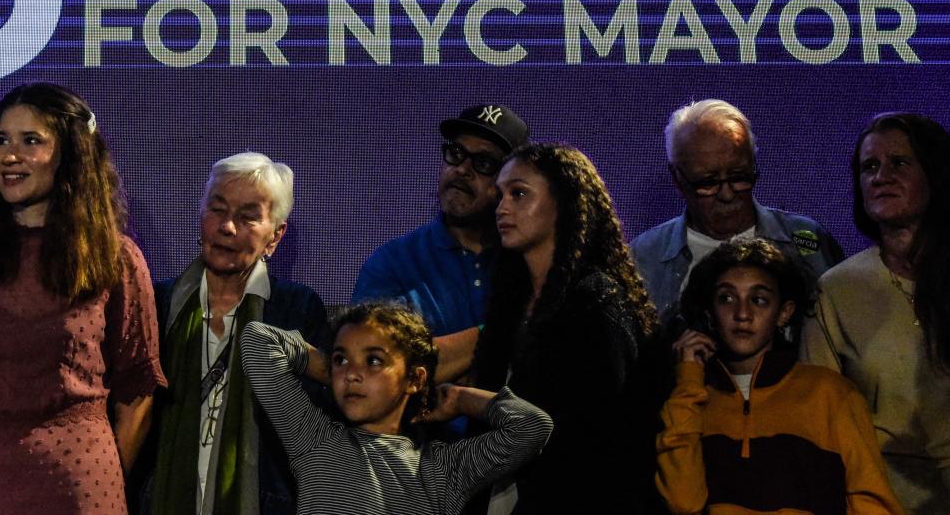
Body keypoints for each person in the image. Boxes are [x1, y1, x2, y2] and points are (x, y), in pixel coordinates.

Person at [0, 83, 166, 514]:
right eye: (2, 140)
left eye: (31, 140)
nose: (9, 155)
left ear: (69, 155)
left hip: (78, 481)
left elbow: (136, 393)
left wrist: (102, 476)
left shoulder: (115, 258)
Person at [803, 113, 950, 514]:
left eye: (899, 163)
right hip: (878, 502)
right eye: (869, 167)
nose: (881, 176)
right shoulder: (837, 289)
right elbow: (818, 415)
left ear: (936, 174)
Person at [471, 142, 664, 513]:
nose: (502, 207)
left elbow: (598, 439)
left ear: (564, 202)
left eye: (519, 193)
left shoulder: (595, 303)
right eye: (500, 195)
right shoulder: (511, 304)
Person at [657, 237, 903, 514]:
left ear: (784, 313)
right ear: (709, 312)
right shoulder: (692, 400)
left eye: (759, 300)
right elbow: (681, 502)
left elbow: (872, 503)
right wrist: (688, 381)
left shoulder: (830, 393)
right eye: (726, 298)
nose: (742, 314)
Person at [143, 152, 328, 515]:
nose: (227, 227)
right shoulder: (159, 302)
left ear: (275, 235)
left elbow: (311, 426)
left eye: (247, 217)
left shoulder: (297, 309)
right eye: (217, 210)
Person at [238, 303, 553, 514]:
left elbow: (532, 426)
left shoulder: (442, 470)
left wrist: (458, 398)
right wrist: (330, 371)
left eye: (374, 361)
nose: (353, 373)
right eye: (341, 358)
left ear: (415, 379)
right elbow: (257, 339)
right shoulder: (315, 441)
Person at [631, 99, 843, 322]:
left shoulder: (806, 239)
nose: (727, 194)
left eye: (739, 177)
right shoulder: (645, 257)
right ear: (677, 179)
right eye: (708, 182)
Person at [352, 104, 528, 362]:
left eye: (484, 162)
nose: (462, 169)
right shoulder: (393, 263)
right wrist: (503, 333)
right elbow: (373, 366)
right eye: (456, 153)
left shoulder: (531, 262)